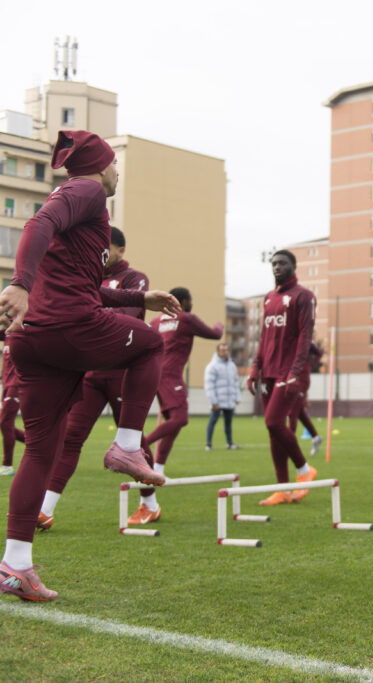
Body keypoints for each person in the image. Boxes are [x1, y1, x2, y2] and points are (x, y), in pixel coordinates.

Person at [0, 130, 179, 601]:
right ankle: (127, 446)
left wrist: (141, 297)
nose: (117, 171)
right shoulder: (88, 190)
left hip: (33, 340)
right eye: (115, 163)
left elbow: (82, 284)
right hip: (69, 328)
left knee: (41, 452)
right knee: (149, 345)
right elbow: (38, 223)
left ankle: (15, 564)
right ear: (100, 165)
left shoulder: (78, 206)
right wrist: (19, 283)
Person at [37, 226, 150, 529]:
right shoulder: (90, 278)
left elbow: (127, 316)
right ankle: (45, 509)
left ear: (119, 250)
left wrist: (89, 319)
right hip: (91, 372)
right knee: (72, 437)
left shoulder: (134, 278)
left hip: (122, 373)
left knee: (134, 442)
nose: (100, 253)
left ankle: (149, 503)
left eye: (105, 248)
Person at [130, 287, 224, 524]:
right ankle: (142, 446)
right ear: (182, 301)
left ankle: (159, 468)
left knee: (172, 423)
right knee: (181, 419)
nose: (191, 303)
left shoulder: (156, 321)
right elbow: (214, 334)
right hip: (171, 376)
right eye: (190, 300)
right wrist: (220, 325)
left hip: (155, 374)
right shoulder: (186, 318)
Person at [246, 250, 318, 505]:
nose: (277, 267)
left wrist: (296, 371)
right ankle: (283, 489)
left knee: (273, 422)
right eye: (274, 263)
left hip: (289, 372)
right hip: (268, 371)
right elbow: (264, 337)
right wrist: (255, 367)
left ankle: (304, 469)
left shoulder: (304, 296)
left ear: (293, 266)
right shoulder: (268, 298)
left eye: (282, 263)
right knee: (273, 431)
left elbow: (305, 336)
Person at [288, 340, 324, 456]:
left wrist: (310, 367)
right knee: (299, 413)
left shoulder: (307, 340)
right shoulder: (292, 338)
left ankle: (288, 443)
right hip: (292, 377)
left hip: (302, 380)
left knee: (293, 410)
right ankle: (316, 437)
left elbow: (319, 352)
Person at [205, 342, 241, 451]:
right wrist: (213, 401)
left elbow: (236, 382)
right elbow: (209, 385)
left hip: (229, 400)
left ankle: (230, 443)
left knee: (228, 423)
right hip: (218, 401)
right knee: (212, 421)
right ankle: (208, 444)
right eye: (223, 350)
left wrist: (237, 397)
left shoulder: (232, 366)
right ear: (218, 351)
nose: (225, 352)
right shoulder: (212, 366)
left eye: (226, 350)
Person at [0, 337, 25, 476]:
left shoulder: (22, 332)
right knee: (3, 423)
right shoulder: (7, 334)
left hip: (15, 385)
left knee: (5, 423)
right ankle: (41, 445)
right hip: (6, 385)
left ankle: (7, 465)